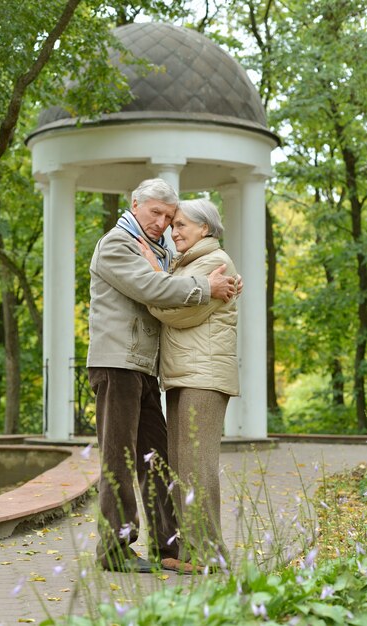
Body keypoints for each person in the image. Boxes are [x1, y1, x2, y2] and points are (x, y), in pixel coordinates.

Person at [87, 179, 239, 574]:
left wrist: (215, 283)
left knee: (157, 461)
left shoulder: (159, 249)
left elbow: (172, 276)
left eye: (170, 217)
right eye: (156, 212)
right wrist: (206, 286)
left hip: (144, 368)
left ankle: (167, 547)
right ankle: (114, 550)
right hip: (116, 364)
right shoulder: (118, 243)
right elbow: (151, 286)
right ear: (135, 204)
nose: (163, 223)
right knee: (118, 460)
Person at [139, 198, 240, 572]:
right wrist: (163, 279)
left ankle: (212, 555)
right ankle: (192, 552)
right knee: (182, 466)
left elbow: (174, 313)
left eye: (181, 224)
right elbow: (174, 297)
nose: (173, 230)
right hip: (184, 375)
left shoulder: (216, 263)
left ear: (206, 229)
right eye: (172, 224)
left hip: (205, 376)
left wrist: (154, 280)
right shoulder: (190, 264)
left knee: (198, 466)